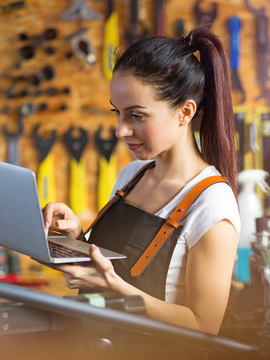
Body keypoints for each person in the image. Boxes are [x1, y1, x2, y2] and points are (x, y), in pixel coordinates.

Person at [42, 25, 240, 335]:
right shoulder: (131, 175)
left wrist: (118, 289)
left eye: (136, 115)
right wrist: (75, 239)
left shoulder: (212, 203)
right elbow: (113, 268)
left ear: (185, 112)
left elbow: (205, 326)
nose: (121, 130)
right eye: (117, 113)